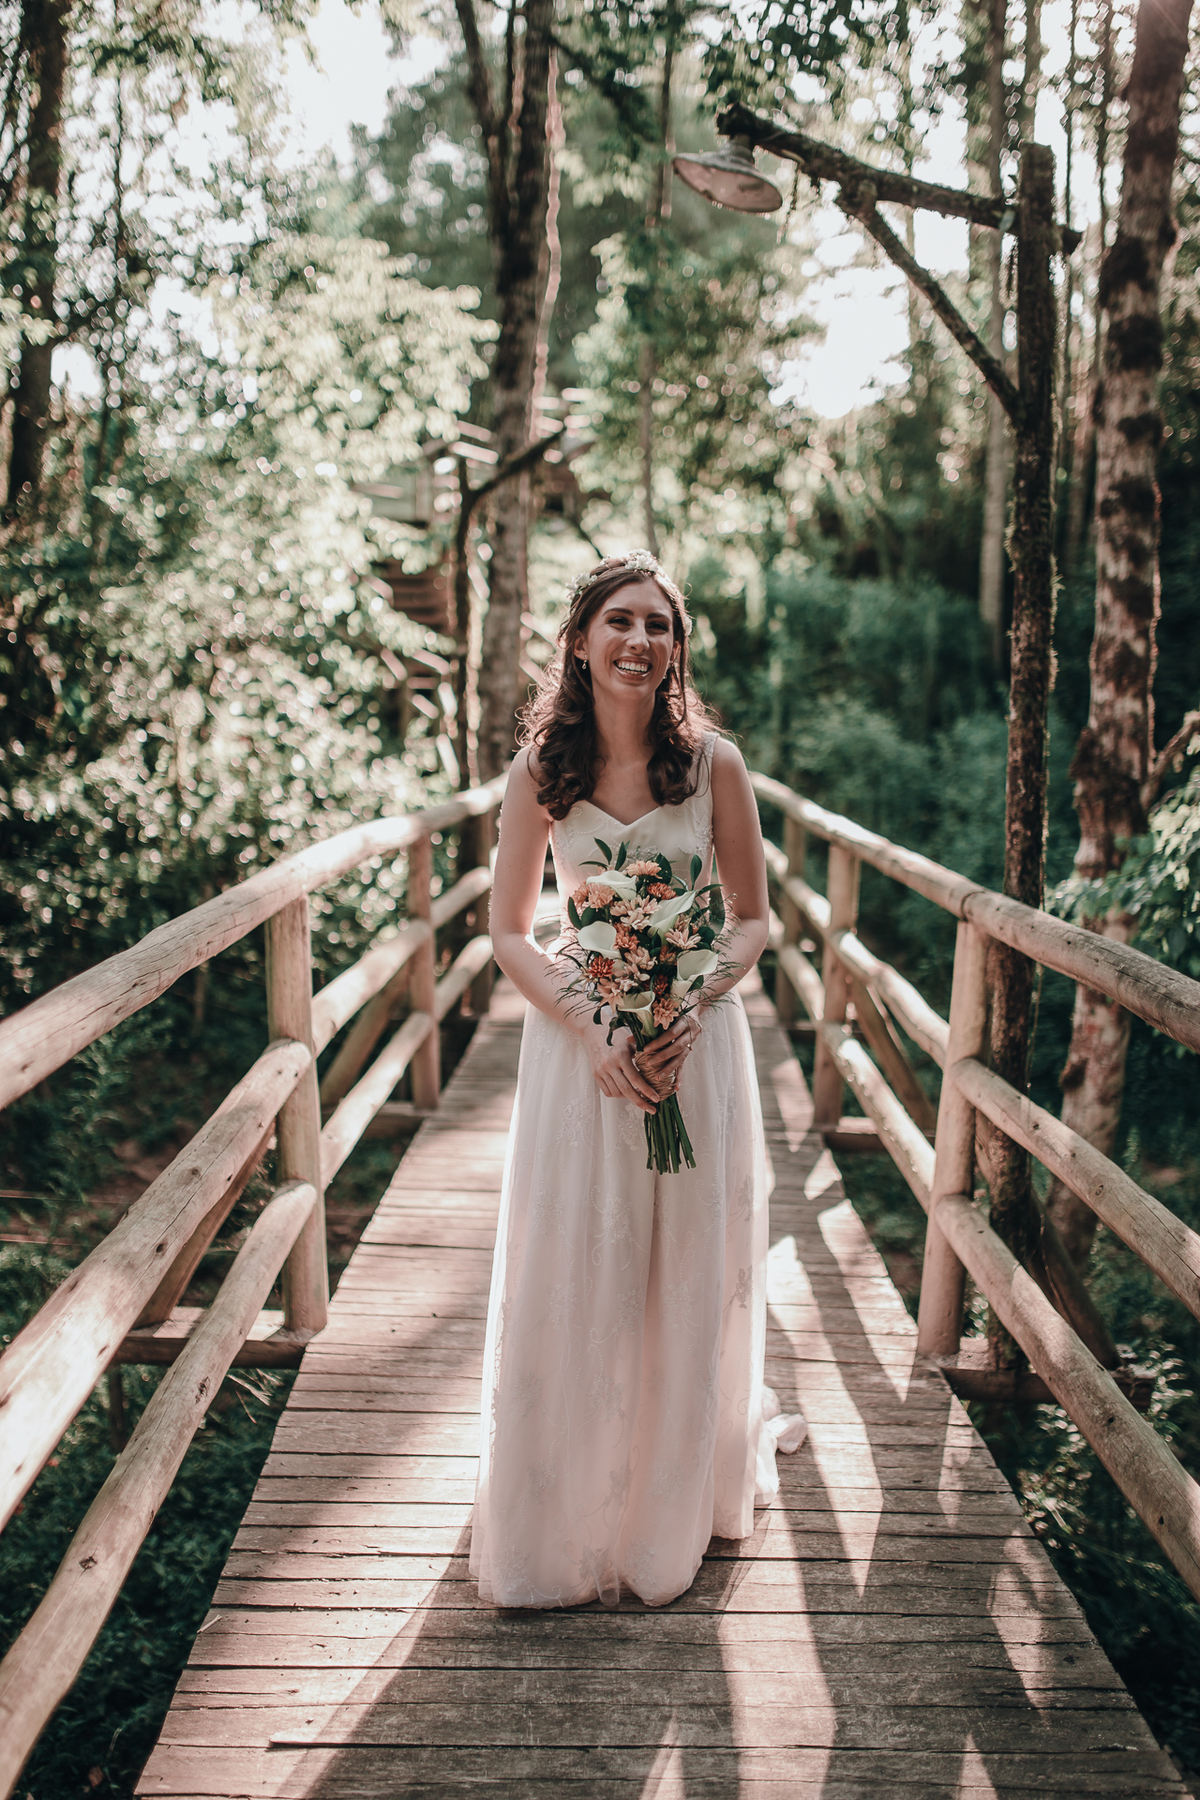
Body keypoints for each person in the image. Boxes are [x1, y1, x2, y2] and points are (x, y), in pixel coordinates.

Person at [469, 550, 805, 1610]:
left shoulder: (713, 766)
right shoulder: (540, 773)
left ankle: (671, 1502)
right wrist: (594, 1026)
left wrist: (687, 1001)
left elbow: (752, 918)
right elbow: (510, 932)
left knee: (686, 1266)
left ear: (676, 649)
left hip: (693, 1047)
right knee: (582, 1262)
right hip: (584, 1050)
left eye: (659, 625)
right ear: (580, 640)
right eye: (619, 620)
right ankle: (566, 1508)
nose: (639, 641)